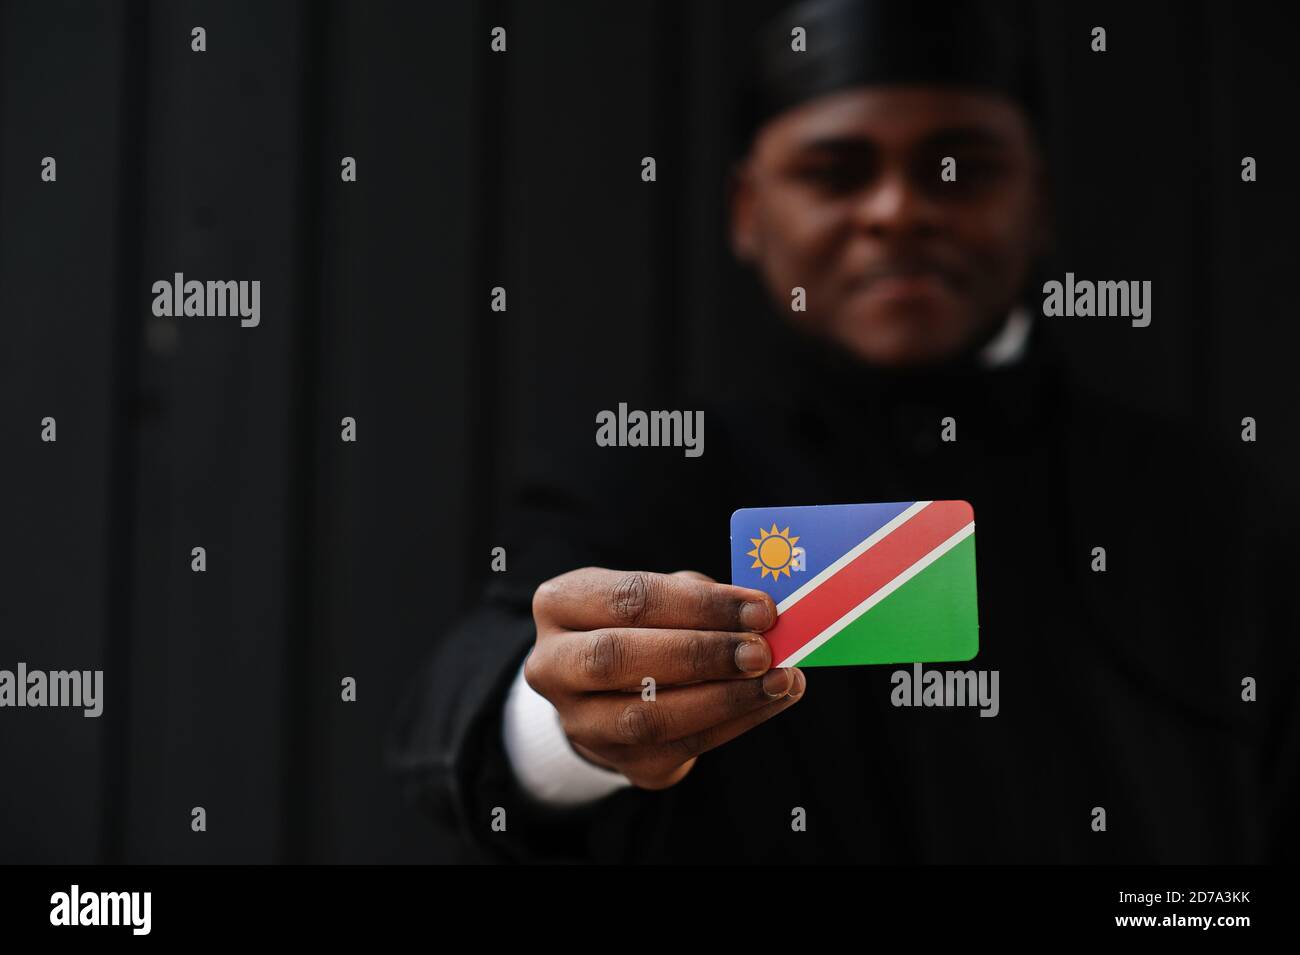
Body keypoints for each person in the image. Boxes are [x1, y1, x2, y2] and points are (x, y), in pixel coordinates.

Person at [387, 0, 1297, 863]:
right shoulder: (647, 477)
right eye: (836, 171)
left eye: (961, 167)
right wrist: (570, 714)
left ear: (1041, 202)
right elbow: (468, 692)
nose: (898, 210)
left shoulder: (1207, 510)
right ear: (749, 213)